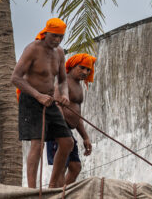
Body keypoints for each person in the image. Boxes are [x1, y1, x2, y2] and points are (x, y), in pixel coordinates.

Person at [11, 18, 74, 188]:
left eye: (61, 37)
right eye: (54, 36)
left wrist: (64, 95)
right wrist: (38, 95)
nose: (57, 40)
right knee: (37, 144)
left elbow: (62, 81)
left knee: (68, 142)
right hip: (31, 99)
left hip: (50, 101)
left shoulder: (60, 52)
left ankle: (53, 184)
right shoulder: (32, 49)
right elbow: (15, 78)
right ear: (46, 33)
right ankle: (32, 189)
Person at [45, 53, 96, 184]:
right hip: (58, 130)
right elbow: (56, 106)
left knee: (75, 167)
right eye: (82, 68)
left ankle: (63, 194)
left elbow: (77, 115)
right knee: (61, 168)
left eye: (88, 69)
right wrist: (61, 130)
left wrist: (85, 137)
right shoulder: (63, 83)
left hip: (68, 131)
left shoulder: (79, 87)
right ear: (73, 66)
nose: (85, 72)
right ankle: (57, 195)